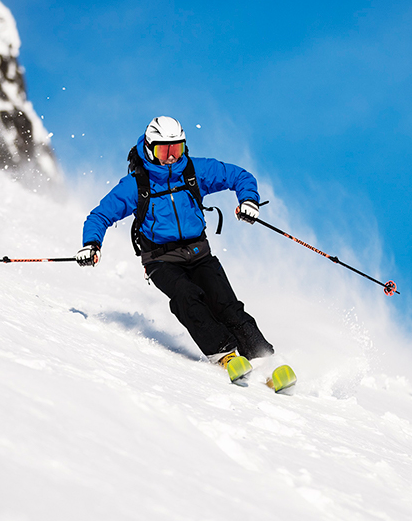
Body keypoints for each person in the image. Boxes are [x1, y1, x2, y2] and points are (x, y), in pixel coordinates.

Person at [76, 116, 274, 368]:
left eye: (176, 149)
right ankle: (224, 354)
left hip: (199, 253)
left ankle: (263, 359)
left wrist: (248, 200)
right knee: (186, 297)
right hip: (161, 260)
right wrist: (92, 244)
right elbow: (100, 215)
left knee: (226, 304)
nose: (171, 157)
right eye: (164, 151)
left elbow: (239, 176)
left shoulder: (194, 171)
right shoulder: (137, 184)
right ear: (150, 149)